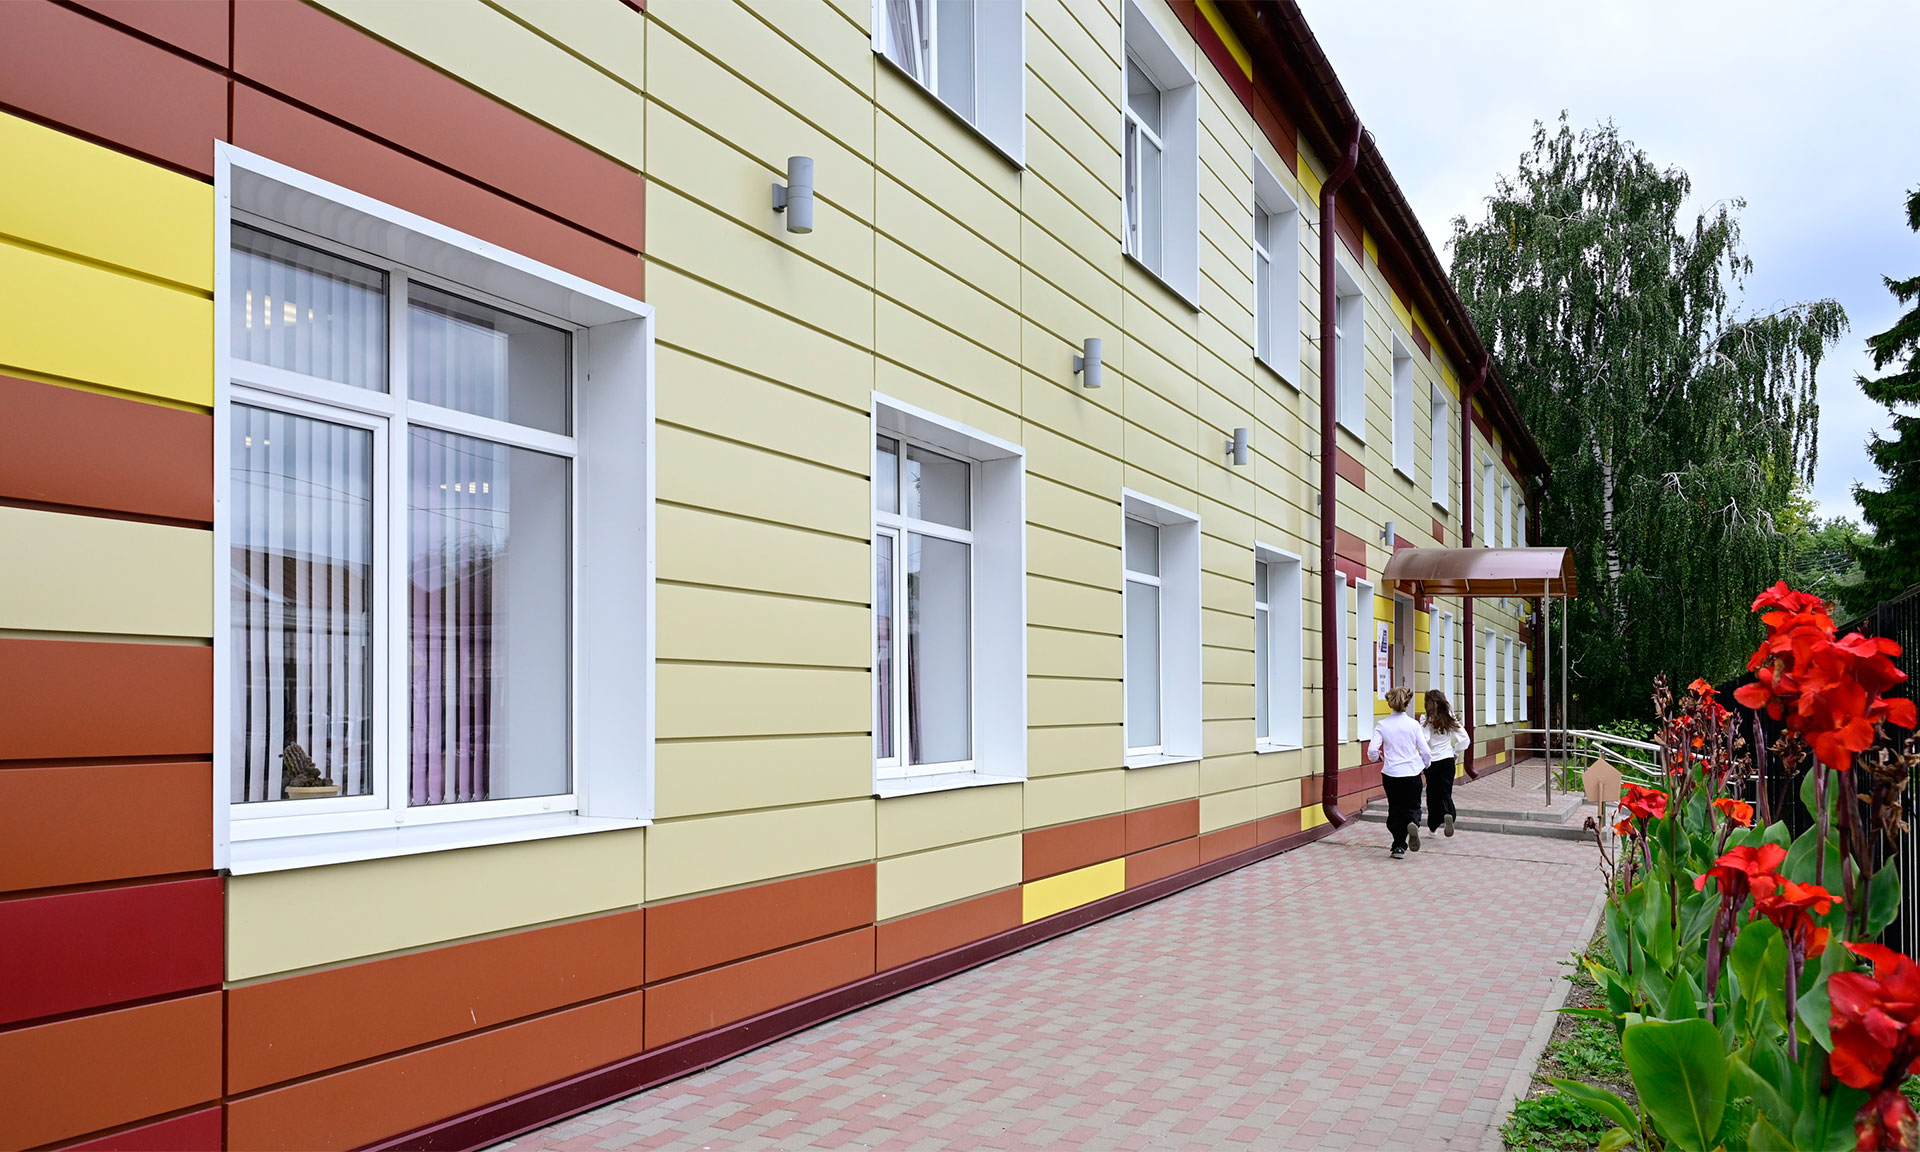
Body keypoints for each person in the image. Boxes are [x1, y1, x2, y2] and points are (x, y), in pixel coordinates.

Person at [1367, 685, 1431, 859]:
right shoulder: (1414, 725)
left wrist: (1377, 757)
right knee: (1413, 806)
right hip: (1412, 772)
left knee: (1395, 808)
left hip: (1391, 773)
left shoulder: (1382, 725)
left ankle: (1399, 847)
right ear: (1407, 702)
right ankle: (1413, 822)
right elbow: (1425, 750)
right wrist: (1425, 765)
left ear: (1390, 702)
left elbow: (1372, 750)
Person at [1421, 689, 1471, 838]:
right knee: (1445, 791)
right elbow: (1465, 739)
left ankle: (1433, 827)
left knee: (1432, 794)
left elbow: (1425, 740)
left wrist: (1422, 757)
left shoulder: (1425, 719)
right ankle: (1449, 814)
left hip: (1432, 762)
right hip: (1447, 760)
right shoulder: (1450, 717)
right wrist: (1456, 752)